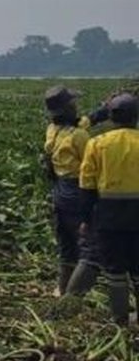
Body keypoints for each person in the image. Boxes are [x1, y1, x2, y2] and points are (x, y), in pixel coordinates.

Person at [78, 93, 139, 326]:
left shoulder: (97, 144)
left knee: (115, 271)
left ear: (111, 118)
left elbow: (87, 187)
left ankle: (120, 321)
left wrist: (86, 219)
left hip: (109, 216)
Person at [66, 93, 120, 294]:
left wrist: (86, 217)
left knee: (89, 252)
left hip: (91, 198)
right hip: (84, 194)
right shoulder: (80, 136)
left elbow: (88, 186)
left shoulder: (93, 141)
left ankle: (67, 297)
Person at [41, 86, 91, 296]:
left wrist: (102, 111)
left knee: (66, 240)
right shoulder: (80, 136)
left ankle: (62, 287)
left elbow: (85, 121)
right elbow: (89, 165)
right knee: (85, 240)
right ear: (69, 108)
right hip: (77, 190)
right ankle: (75, 292)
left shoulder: (53, 131)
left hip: (59, 190)